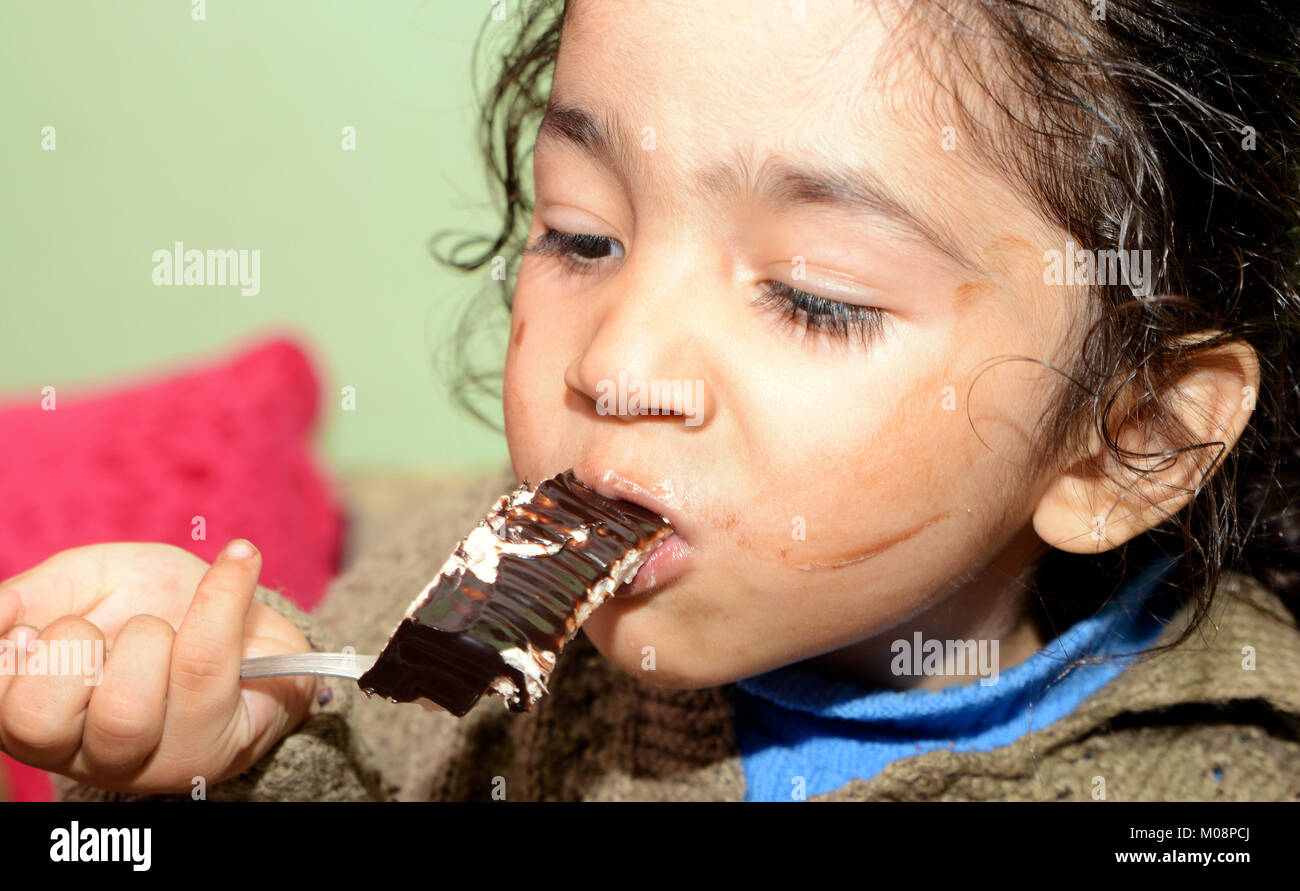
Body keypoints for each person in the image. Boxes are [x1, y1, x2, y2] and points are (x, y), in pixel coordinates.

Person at [3, 0, 1299, 801]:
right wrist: (214, 756)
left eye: (812, 295)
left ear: (1132, 436)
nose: (615, 366)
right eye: (582, 238)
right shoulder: (420, 643)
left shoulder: (1230, 762)